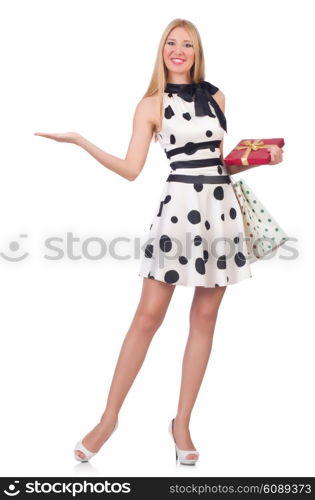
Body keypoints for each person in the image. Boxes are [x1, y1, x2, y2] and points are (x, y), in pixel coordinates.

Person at [34, 18, 283, 465]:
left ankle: (182, 423)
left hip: (219, 211)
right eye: (172, 43)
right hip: (177, 212)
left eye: (187, 44)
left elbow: (217, 163)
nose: (179, 50)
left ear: (197, 51)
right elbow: (132, 169)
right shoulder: (151, 104)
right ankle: (109, 419)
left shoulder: (217, 97)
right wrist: (80, 141)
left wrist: (258, 159)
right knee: (148, 317)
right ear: (162, 49)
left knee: (205, 318)